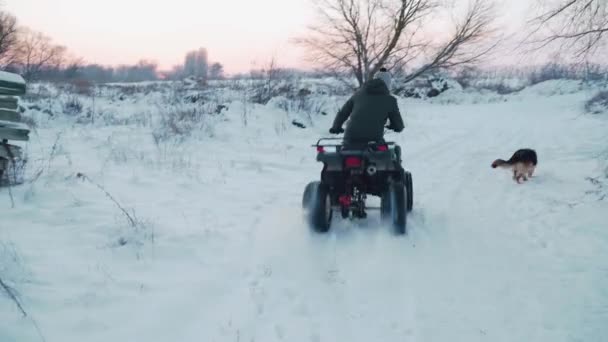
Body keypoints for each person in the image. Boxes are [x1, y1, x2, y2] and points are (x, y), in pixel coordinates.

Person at [329, 67, 405, 162]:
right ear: (388, 84)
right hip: (374, 141)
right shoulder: (390, 100)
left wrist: (336, 127)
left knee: (341, 158)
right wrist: (396, 127)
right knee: (392, 156)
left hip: (350, 138)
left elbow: (343, 113)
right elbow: (399, 125)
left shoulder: (358, 95)